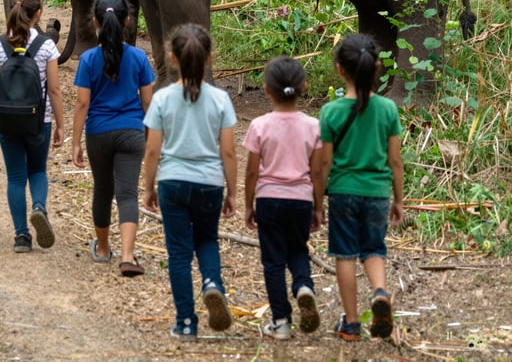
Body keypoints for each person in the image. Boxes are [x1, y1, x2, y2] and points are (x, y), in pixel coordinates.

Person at [143, 24, 237, 341]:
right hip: (210, 182)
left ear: (172, 58)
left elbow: (153, 149)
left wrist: (149, 186)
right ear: (209, 58)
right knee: (207, 241)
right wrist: (232, 192)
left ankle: (185, 322)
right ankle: (212, 284)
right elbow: (228, 152)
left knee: (179, 253)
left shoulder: (162, 99)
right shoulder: (221, 99)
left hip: (172, 181)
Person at [317, 32, 404, 341]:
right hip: (378, 192)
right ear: (377, 68)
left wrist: (317, 203)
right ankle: (380, 292)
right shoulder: (388, 110)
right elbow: (395, 162)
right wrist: (399, 199)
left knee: (345, 255)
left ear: (340, 69)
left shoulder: (330, 112)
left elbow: (324, 164)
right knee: (374, 249)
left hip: (343, 193)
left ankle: (352, 324)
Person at [72, 0, 155, 277]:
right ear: (128, 21)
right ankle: (128, 255)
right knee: (128, 193)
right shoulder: (139, 57)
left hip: (98, 133)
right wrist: (153, 136)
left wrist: (75, 143)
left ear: (95, 21)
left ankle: (104, 249)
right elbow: (147, 102)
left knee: (103, 190)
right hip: (132, 132)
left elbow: (83, 103)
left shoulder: (87, 59)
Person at [242, 56, 323, 340]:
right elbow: (317, 171)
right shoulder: (313, 126)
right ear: (304, 88)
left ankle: (281, 320)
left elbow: (252, 172)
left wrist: (248, 204)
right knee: (298, 250)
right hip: (301, 200)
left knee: (273, 261)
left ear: (266, 89)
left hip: (269, 200)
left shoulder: (260, 126)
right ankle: (304, 287)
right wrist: (318, 206)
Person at [0, 0, 64, 253]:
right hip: (38, 119)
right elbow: (54, 89)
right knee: (38, 170)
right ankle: (39, 207)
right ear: (38, 14)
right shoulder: (47, 46)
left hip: (7, 119)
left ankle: (21, 236)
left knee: (16, 177)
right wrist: (60, 125)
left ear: (12, 9)